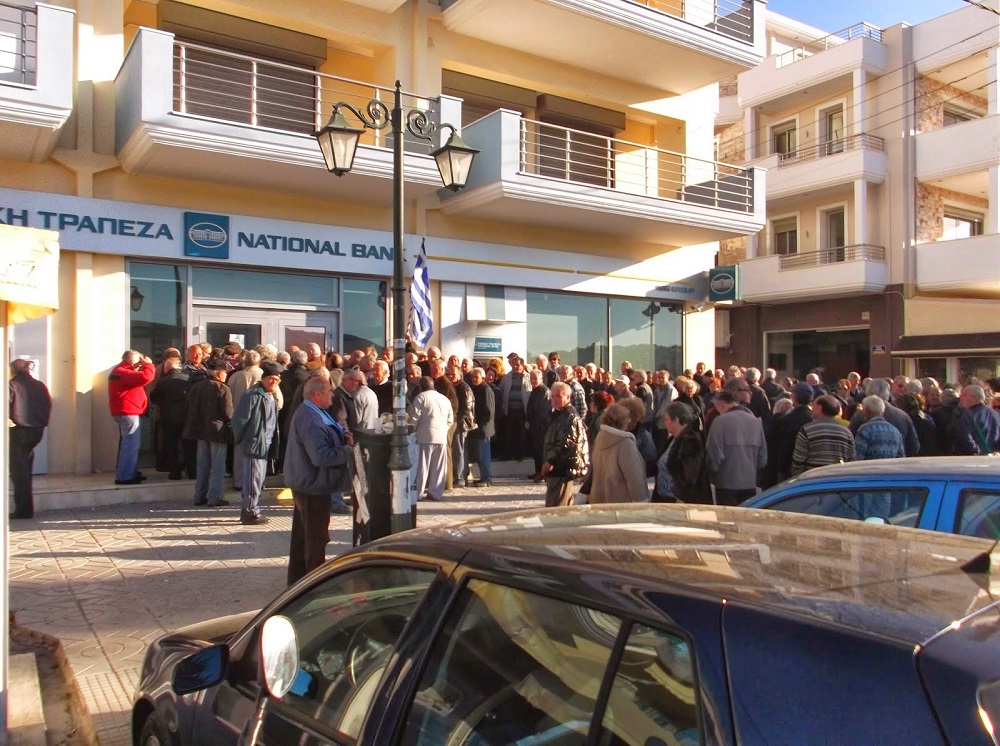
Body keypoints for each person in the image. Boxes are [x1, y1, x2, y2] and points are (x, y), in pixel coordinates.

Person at [284, 376, 354, 586]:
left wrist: (342, 436)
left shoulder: (313, 412)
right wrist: (347, 451)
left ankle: (298, 579)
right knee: (316, 537)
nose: (332, 394)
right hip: (313, 485)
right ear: (317, 394)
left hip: (308, 482)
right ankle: (312, 584)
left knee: (303, 535)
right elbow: (320, 456)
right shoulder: (310, 419)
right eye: (329, 391)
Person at [232, 361, 282, 525]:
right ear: (264, 378)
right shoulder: (252, 395)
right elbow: (240, 420)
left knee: (258, 479)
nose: (274, 382)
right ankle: (250, 511)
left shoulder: (270, 395)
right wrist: (242, 440)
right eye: (271, 379)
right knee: (252, 479)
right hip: (254, 443)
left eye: (277, 379)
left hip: (265, 444)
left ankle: (253, 508)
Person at [183, 360, 234, 507]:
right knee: (218, 466)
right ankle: (214, 498)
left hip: (200, 431)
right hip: (217, 432)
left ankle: (199, 497)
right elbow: (228, 413)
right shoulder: (223, 388)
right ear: (219, 373)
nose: (226, 375)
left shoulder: (197, 386)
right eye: (225, 372)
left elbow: (187, 407)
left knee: (202, 465)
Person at [705, 390, 767, 505]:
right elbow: (762, 457)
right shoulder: (755, 422)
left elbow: (714, 455)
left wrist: (712, 474)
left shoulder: (719, 422)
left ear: (720, 404)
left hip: (725, 483)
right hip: (749, 483)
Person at [8, 359, 52, 519]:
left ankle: (23, 510)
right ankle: (25, 509)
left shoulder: (12, 385)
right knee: (25, 469)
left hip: (19, 431)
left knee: (19, 472)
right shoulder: (40, 385)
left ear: (13, 370)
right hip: (37, 431)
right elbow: (48, 405)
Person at [108, 350, 155, 485]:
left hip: (128, 411)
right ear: (131, 361)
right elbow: (145, 377)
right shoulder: (123, 372)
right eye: (139, 361)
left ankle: (130, 472)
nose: (140, 364)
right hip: (128, 412)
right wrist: (149, 365)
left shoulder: (121, 371)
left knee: (131, 444)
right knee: (130, 445)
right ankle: (125, 476)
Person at [587, 403, 648, 504]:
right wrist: (641, 501)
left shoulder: (600, 439)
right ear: (624, 422)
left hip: (599, 500)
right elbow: (634, 477)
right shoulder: (625, 444)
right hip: (620, 504)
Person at [540, 382, 589, 507]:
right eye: (553, 396)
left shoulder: (568, 415)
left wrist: (551, 461)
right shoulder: (558, 413)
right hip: (559, 468)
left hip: (562, 468)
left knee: (557, 506)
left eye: (559, 396)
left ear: (568, 397)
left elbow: (566, 443)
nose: (555, 399)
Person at [656, 401, 710, 503]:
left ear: (676, 420)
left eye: (666, 419)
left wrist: (681, 498)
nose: (664, 423)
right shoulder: (673, 439)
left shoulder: (690, 441)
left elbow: (690, 476)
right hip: (666, 497)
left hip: (683, 501)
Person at [409, 377, 454, 501]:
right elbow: (450, 420)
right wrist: (443, 429)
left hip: (424, 436)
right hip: (441, 436)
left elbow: (414, 418)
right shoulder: (445, 399)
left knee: (422, 467)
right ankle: (436, 493)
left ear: (421, 386)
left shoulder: (421, 397)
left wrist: (412, 431)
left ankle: (418, 493)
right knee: (439, 467)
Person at [790, 395, 855, 475]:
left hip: (813, 478)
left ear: (819, 408)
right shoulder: (847, 432)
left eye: (813, 406)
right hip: (838, 478)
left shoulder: (807, 430)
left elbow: (798, 460)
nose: (811, 409)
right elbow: (851, 461)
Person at [464, 367, 495, 487]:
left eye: (476, 377)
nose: (474, 379)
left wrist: (481, 424)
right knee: (479, 455)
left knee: (484, 455)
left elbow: (489, 411)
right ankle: (483, 477)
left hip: (483, 429)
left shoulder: (486, 390)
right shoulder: (475, 389)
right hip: (477, 428)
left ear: (483, 378)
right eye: (472, 377)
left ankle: (487, 478)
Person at [953, 384, 1000, 455]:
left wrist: (977, 451)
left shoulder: (967, 415)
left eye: (964, 395)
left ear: (974, 397)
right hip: (994, 455)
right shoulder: (995, 413)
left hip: (976, 457)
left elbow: (965, 437)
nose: (960, 398)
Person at [855, 395, 905, 461]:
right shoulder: (895, 431)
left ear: (867, 410)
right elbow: (901, 458)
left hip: (870, 467)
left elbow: (858, 457)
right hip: (890, 467)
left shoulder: (865, 430)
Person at [526, 368, 551, 482]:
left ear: (541, 379)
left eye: (535, 378)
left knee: (541, 451)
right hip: (535, 425)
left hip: (541, 427)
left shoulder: (543, 391)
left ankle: (542, 473)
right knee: (536, 450)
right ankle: (538, 471)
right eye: (531, 378)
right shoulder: (535, 390)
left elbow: (542, 411)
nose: (533, 381)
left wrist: (537, 424)